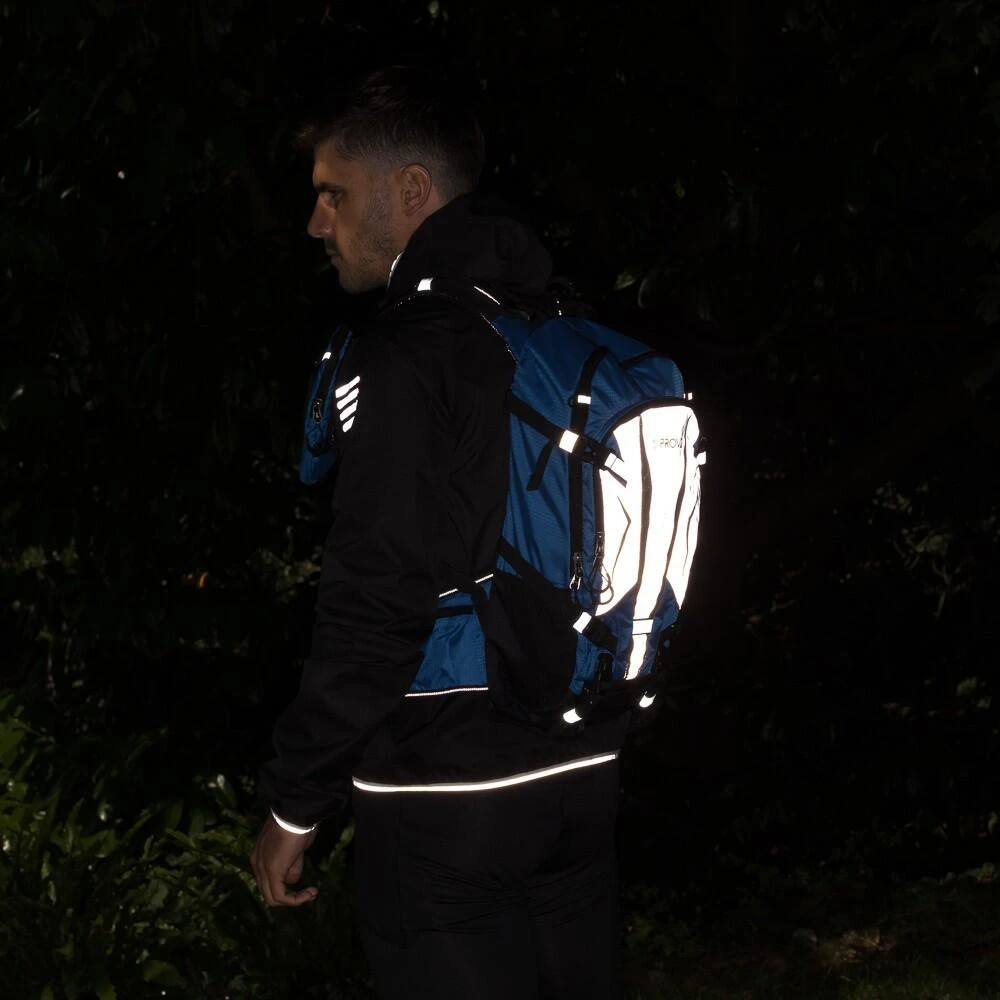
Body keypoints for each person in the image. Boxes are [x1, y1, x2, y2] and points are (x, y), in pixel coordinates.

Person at [250, 66, 627, 999]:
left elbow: (374, 598)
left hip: (444, 796)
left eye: (334, 194)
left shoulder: (409, 350)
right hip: (581, 774)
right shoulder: (553, 327)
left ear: (411, 189)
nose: (316, 223)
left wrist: (297, 803)